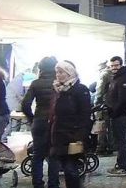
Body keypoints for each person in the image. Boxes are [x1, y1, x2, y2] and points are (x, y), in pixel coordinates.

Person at [48, 61, 92, 188]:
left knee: (70, 169)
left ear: (69, 73)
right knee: (63, 167)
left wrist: (80, 136)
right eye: (57, 72)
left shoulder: (80, 90)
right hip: (58, 135)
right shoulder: (57, 89)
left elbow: (85, 114)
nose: (58, 75)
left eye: (61, 72)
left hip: (73, 136)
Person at [22, 57, 60, 188]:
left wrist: (32, 119)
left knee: (37, 155)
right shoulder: (59, 83)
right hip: (55, 122)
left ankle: (37, 184)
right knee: (54, 154)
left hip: (39, 121)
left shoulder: (35, 83)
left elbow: (25, 105)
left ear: (41, 68)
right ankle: (53, 184)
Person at [105, 56, 126, 176]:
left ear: (121, 65)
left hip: (120, 115)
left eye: (116, 65)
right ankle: (119, 165)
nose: (114, 68)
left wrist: (115, 111)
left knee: (121, 141)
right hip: (116, 114)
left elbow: (124, 100)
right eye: (112, 66)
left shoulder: (124, 79)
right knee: (119, 141)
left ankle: (122, 167)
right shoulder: (116, 78)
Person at [94, 60, 115, 155]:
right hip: (111, 104)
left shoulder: (103, 75)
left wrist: (96, 103)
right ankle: (111, 146)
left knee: (101, 126)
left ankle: (101, 147)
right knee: (110, 127)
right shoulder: (112, 74)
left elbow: (99, 90)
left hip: (103, 103)